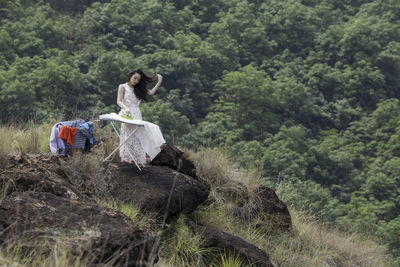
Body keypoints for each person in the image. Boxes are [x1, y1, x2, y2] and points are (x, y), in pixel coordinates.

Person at [117, 69, 163, 165]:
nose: (136, 81)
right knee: (127, 135)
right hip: (127, 113)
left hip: (137, 114)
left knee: (137, 136)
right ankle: (126, 157)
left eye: (138, 80)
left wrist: (159, 82)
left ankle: (136, 159)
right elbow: (119, 101)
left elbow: (151, 92)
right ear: (130, 76)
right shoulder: (122, 87)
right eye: (135, 78)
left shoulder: (138, 89)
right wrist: (125, 108)